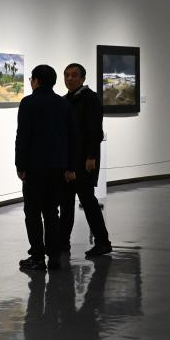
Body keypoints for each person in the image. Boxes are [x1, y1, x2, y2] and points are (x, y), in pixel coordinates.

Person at [14, 64, 72, 271]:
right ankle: (54, 256)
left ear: (36, 80)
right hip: (57, 167)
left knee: (32, 213)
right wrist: (69, 166)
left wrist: (20, 165)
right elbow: (71, 137)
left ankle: (37, 256)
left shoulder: (28, 103)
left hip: (34, 167)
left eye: (31, 79)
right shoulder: (63, 103)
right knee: (52, 212)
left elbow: (23, 136)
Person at [61, 63, 112, 257]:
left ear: (82, 78)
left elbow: (94, 131)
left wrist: (91, 157)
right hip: (69, 161)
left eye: (74, 75)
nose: (70, 78)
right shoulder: (66, 100)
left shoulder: (90, 99)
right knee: (66, 203)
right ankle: (63, 242)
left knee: (88, 202)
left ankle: (103, 241)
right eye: (67, 75)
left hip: (84, 161)